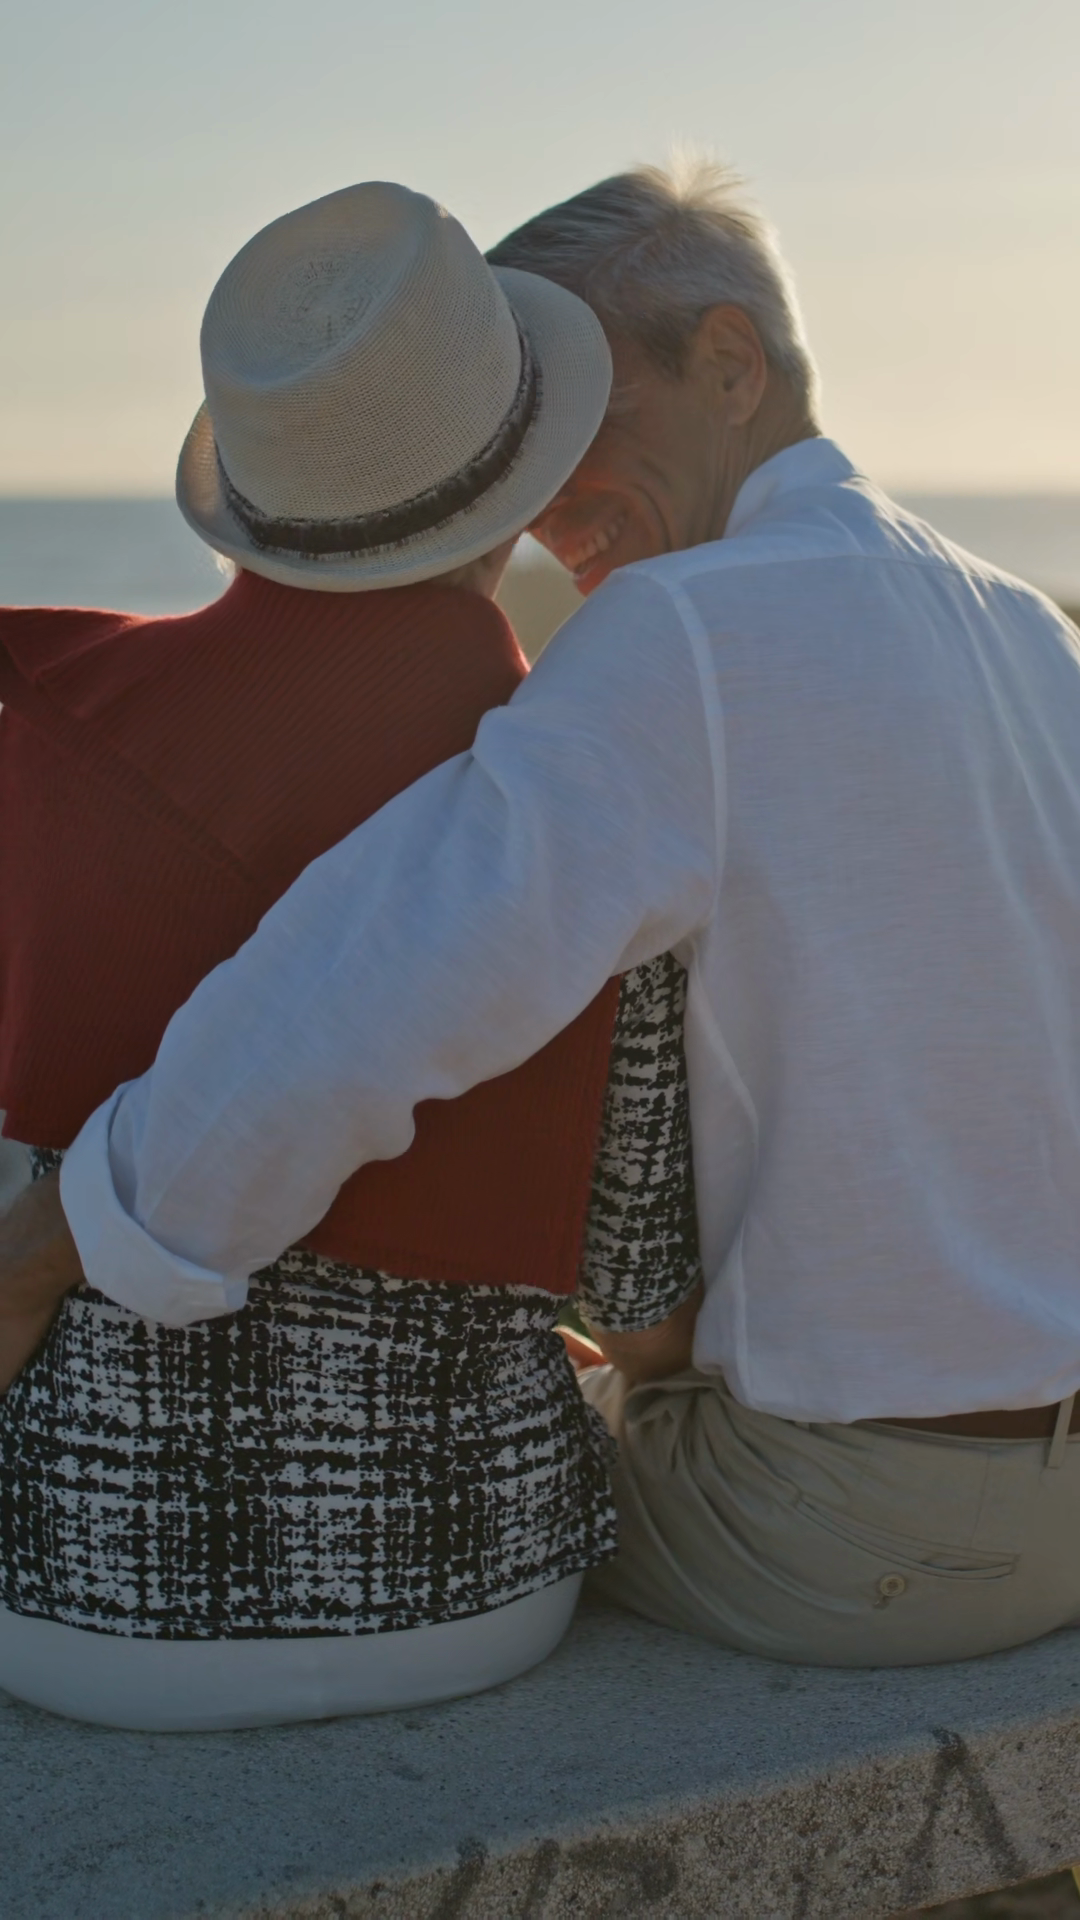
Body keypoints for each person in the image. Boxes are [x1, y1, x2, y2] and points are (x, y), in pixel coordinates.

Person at [9, 159, 1080, 1670]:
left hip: (855, 1532)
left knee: (417, 1488)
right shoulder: (1026, 627)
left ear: (729, 362)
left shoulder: (683, 632)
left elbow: (362, 994)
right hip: (1050, 1489)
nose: (541, 510)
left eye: (581, 430)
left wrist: (57, 1243)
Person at [0, 180, 705, 1731]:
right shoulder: (585, 792)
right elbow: (643, 1293)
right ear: (520, 489)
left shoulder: (44, 721)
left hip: (52, 1589)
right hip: (459, 1591)